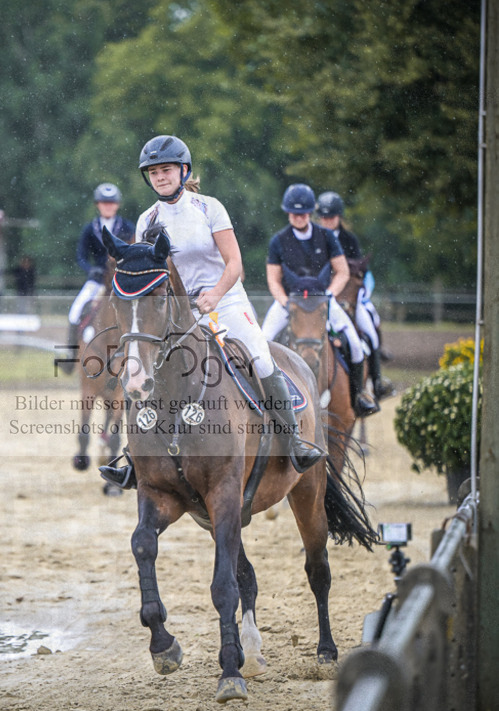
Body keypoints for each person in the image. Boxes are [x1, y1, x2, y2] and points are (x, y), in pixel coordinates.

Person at [100, 135, 323, 489]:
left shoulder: (209, 208)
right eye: (153, 172)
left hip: (226, 301)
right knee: (141, 367)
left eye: (166, 169)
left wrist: (215, 295)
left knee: (261, 357)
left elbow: (234, 263)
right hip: (178, 313)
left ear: (183, 170)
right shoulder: (147, 219)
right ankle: (133, 454)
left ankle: (294, 440)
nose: (160, 177)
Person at [261, 183, 378, 418]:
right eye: (294, 213)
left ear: (310, 213)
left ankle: (359, 395)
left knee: (355, 344)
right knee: (263, 342)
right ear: (288, 213)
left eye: (303, 213)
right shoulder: (279, 240)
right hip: (291, 301)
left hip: (322, 301)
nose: (299, 217)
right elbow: (273, 279)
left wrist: (329, 295)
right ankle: (263, 399)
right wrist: (285, 302)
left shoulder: (326, 237)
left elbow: (342, 271)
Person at [315, 191, 394, 400]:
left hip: (348, 296)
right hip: (320, 295)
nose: (327, 221)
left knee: (370, 329)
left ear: (339, 216)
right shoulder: (313, 238)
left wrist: (362, 295)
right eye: (323, 217)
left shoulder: (349, 240)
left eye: (331, 217)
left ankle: (376, 382)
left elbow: (360, 272)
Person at [66, 183, 135, 354]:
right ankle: (71, 353)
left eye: (111, 203)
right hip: (98, 279)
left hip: (121, 279)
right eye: (104, 203)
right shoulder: (90, 229)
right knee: (75, 311)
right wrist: (91, 269)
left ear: (117, 205)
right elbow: (81, 256)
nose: (108, 206)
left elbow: (135, 251)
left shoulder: (127, 227)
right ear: (98, 204)